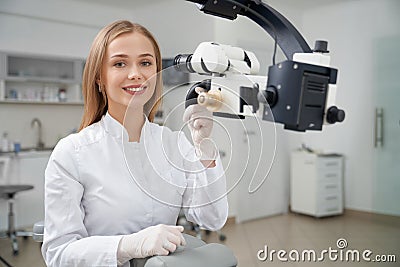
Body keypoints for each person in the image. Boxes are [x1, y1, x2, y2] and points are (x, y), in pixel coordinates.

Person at [42, 20, 228, 267]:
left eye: (146, 63)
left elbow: (212, 219)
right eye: (120, 63)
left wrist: (203, 146)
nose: (136, 74)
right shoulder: (72, 153)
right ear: (99, 77)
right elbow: (59, 253)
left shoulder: (174, 143)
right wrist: (128, 246)